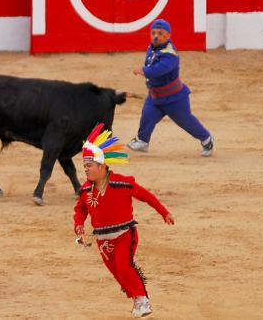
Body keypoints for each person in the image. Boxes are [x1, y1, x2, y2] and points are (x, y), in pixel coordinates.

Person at [73, 123, 175, 318]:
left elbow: (146, 196)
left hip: (124, 234)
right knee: (117, 273)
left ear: (102, 166)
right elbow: (80, 209)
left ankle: (143, 299)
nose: (85, 169)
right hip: (102, 239)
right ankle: (137, 298)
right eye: (84, 166)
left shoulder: (121, 183)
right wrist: (78, 223)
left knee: (124, 266)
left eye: (89, 165)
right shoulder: (86, 189)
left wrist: (164, 212)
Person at [128, 19, 214, 157]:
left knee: (186, 122)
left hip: (174, 99)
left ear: (168, 36)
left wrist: (144, 71)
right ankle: (143, 141)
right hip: (155, 96)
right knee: (147, 116)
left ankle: (206, 139)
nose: (156, 36)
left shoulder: (170, 54)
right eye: (153, 33)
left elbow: (160, 69)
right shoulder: (152, 48)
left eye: (160, 34)